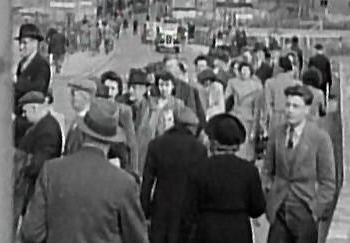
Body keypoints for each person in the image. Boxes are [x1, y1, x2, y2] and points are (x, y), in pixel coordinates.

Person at [21, 98, 149, 243]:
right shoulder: (124, 183)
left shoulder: (51, 171)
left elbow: (31, 232)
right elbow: (138, 238)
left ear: (82, 134)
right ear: (111, 142)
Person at [263, 85, 336, 243]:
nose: (289, 110)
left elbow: (328, 182)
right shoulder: (277, 133)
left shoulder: (320, 138)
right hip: (279, 210)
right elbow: (267, 169)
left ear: (307, 109)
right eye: (287, 105)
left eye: (295, 106)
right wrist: (269, 195)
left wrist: (316, 209)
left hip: (305, 210)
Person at [179, 113, 266, 243]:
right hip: (239, 232)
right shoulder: (249, 171)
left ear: (214, 142)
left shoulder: (199, 169)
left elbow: (188, 210)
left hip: (207, 232)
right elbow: (257, 208)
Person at [141, 108, 207, 243]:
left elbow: (147, 182)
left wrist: (145, 209)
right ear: (192, 127)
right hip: (188, 211)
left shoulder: (156, 144)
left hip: (161, 209)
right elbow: (202, 184)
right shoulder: (199, 149)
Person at [17, 91, 62, 214]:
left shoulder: (47, 130)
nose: (24, 116)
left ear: (34, 108)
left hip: (34, 191)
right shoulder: (43, 125)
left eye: (25, 111)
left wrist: (20, 163)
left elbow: (40, 163)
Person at [136, 70, 185, 174]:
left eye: (167, 85)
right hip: (151, 142)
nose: (164, 88)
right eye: (161, 85)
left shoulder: (178, 104)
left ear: (172, 86)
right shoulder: (150, 102)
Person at [14, 23, 51, 108]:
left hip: (33, 112)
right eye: (20, 43)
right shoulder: (21, 63)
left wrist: (16, 82)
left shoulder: (42, 64)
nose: (21, 47)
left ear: (35, 43)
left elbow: (38, 88)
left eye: (24, 43)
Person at [265, 55, 301, 132]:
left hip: (277, 115)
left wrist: (271, 119)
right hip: (294, 115)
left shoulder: (270, 83)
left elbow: (269, 104)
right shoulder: (297, 84)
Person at [64, 79, 97, 155]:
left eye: (73, 93)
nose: (71, 98)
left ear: (85, 97)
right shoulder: (76, 120)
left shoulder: (88, 124)